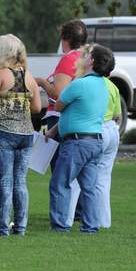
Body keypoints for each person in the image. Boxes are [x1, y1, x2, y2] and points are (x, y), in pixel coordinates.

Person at [46, 44, 113, 233]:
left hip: (76, 142)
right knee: (89, 186)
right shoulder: (103, 85)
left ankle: (60, 226)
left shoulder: (80, 83)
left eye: (87, 56)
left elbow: (58, 105)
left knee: (60, 182)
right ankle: (91, 226)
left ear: (91, 61)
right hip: (95, 141)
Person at [0, 34, 41, 236]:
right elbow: (37, 107)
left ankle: (3, 228)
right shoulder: (29, 76)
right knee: (20, 182)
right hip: (26, 134)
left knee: (4, 183)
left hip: (3, 133)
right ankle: (21, 227)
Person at [64, 44, 120, 229]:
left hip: (95, 131)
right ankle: (103, 221)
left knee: (76, 181)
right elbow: (117, 115)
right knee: (103, 180)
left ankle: (66, 219)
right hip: (112, 131)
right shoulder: (112, 86)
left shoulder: (88, 83)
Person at [35, 19, 87, 169]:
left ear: (67, 39)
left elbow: (59, 94)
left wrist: (42, 82)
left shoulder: (69, 58)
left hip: (60, 119)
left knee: (59, 171)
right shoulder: (85, 58)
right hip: (77, 120)